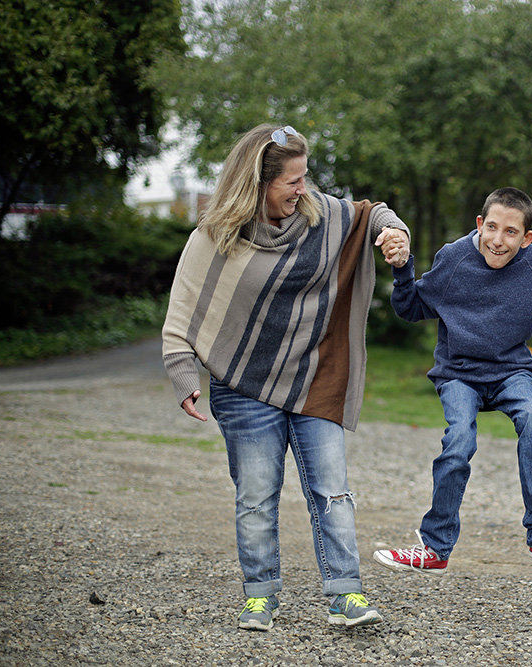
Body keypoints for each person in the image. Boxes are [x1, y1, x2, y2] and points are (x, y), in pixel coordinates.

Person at [161, 123, 411, 631]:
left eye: (305, 177)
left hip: (314, 377)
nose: (304, 190)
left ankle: (345, 595)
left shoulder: (321, 216)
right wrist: (184, 373)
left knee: (332, 490)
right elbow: (182, 311)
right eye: (292, 182)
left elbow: (369, 211)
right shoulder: (213, 239)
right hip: (243, 387)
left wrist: (394, 231)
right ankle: (260, 595)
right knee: (256, 496)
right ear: (257, 184)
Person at [372, 187, 532, 575]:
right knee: (459, 441)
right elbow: (411, 307)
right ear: (479, 224)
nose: (498, 240)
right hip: (459, 373)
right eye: (492, 228)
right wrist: (403, 269)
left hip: (511, 372)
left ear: (526, 239)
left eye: (510, 232)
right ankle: (435, 548)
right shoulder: (454, 258)